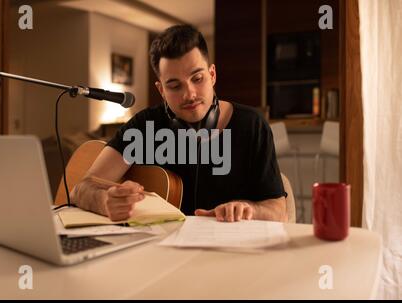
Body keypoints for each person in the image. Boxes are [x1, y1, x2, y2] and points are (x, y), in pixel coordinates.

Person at [70, 24, 287, 223]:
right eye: (174, 86)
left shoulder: (252, 126)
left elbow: (279, 211)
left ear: (212, 75)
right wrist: (105, 201)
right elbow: (82, 188)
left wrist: (248, 209)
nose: (189, 94)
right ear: (161, 90)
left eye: (197, 78)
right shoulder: (144, 126)